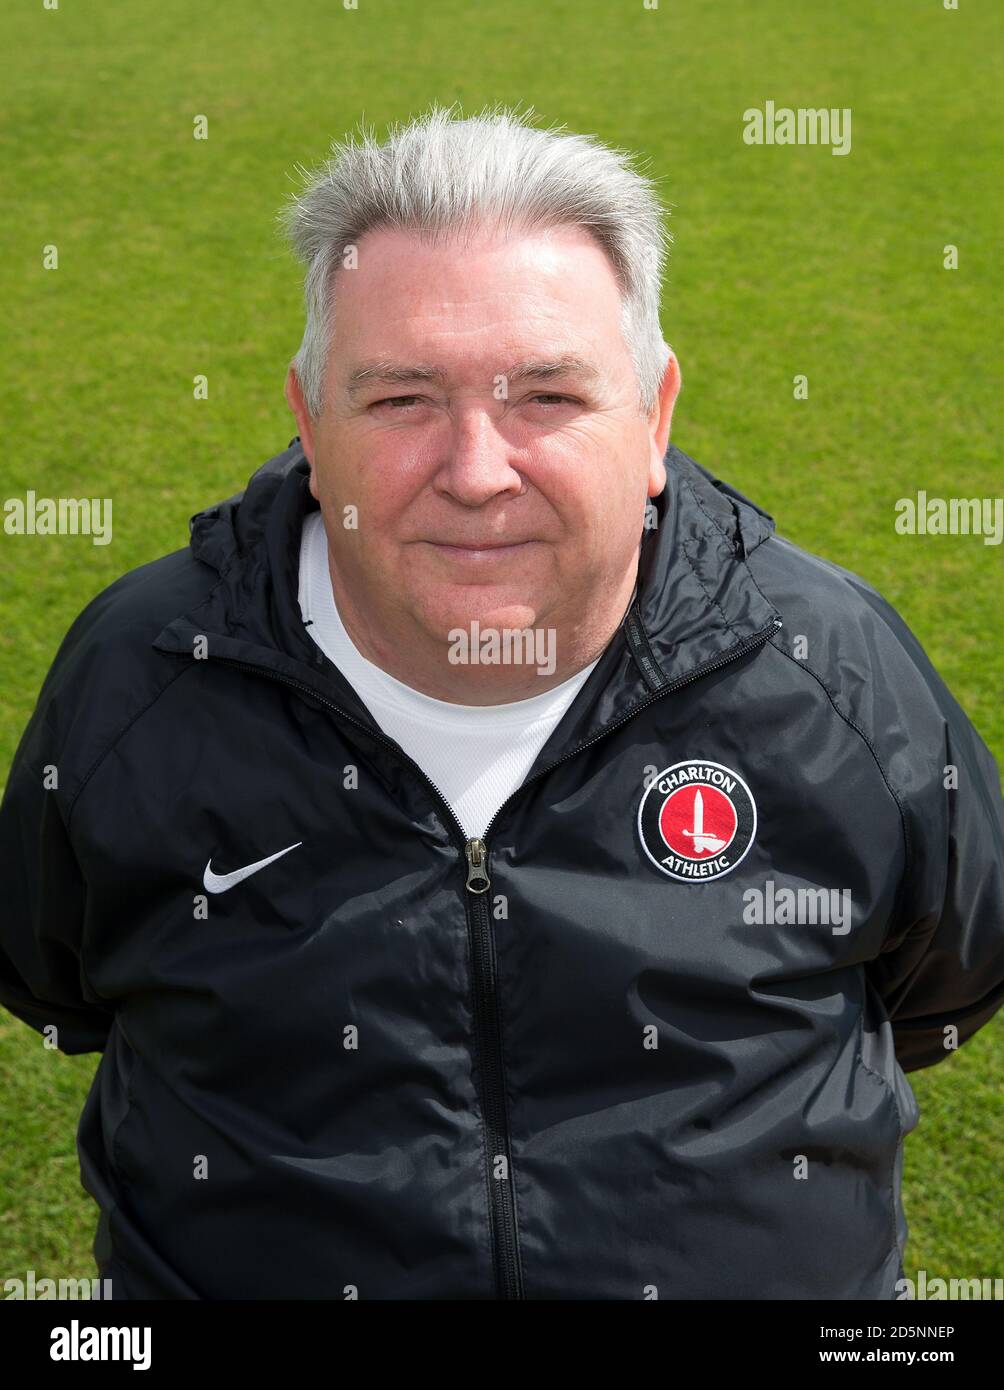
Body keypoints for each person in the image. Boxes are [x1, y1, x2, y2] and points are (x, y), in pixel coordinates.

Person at [1, 104, 1002, 1301]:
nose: (477, 472)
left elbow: (943, 981)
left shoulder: (828, 675)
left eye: (546, 397)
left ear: (655, 419)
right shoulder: (143, 676)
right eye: (401, 399)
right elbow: (54, 976)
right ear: (310, 425)